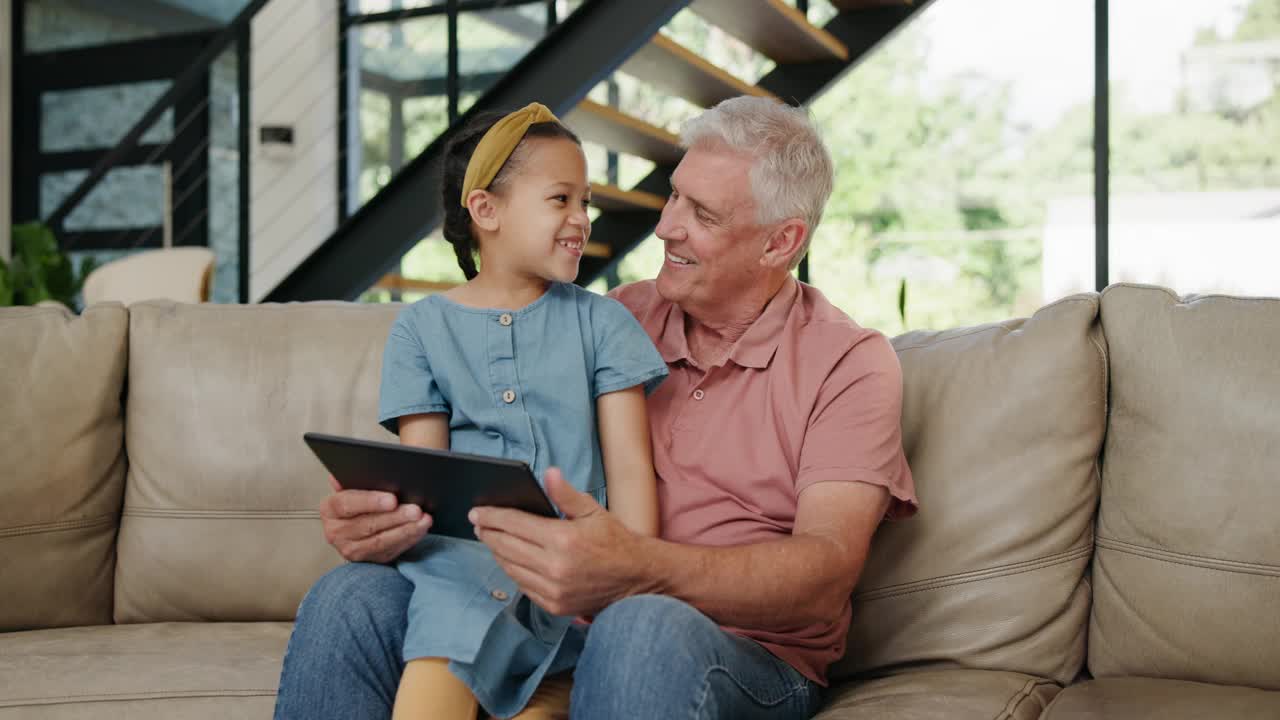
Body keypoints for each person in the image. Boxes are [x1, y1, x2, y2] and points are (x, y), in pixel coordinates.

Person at [274, 95, 917, 720]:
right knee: (351, 595)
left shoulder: (848, 362)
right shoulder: (610, 318)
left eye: (703, 214)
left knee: (640, 624)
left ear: (781, 243)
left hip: (738, 655)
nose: (665, 225)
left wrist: (639, 571)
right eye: (673, 195)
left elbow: (825, 572)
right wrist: (385, 520)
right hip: (547, 616)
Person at [372, 102, 667, 720]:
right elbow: (429, 486)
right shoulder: (420, 330)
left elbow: (632, 473)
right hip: (457, 594)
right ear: (486, 211)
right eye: (561, 199)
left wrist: (628, 581)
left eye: (585, 202)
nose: (581, 220)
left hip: (575, 595)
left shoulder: (604, 323)